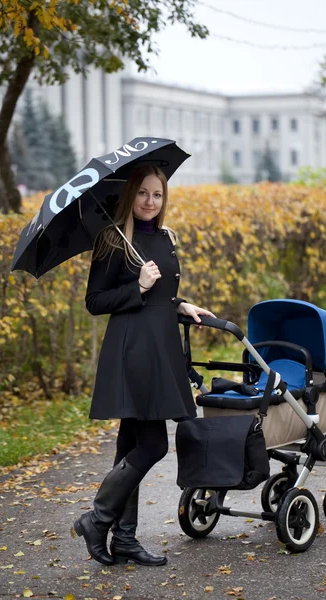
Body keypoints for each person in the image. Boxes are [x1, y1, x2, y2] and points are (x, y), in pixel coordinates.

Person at [71, 164, 214, 567]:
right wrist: (137, 287)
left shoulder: (165, 238)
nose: (150, 201)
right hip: (134, 350)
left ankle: (125, 539)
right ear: (129, 195)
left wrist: (179, 303)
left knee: (129, 445)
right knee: (152, 444)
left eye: (158, 194)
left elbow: (163, 294)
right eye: (143, 193)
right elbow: (95, 301)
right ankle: (98, 519)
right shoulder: (112, 241)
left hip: (161, 347)